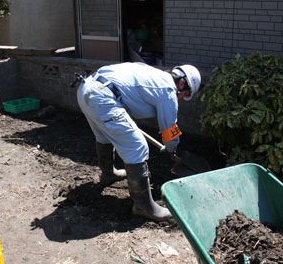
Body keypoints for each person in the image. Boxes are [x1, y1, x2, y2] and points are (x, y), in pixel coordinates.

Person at [76, 62, 201, 222]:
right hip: (103, 96)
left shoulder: (155, 75)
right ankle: (144, 206)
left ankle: (108, 174)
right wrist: (171, 149)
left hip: (87, 87)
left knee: (104, 135)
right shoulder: (168, 90)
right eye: (185, 95)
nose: (182, 98)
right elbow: (169, 131)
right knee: (137, 147)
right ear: (182, 83)